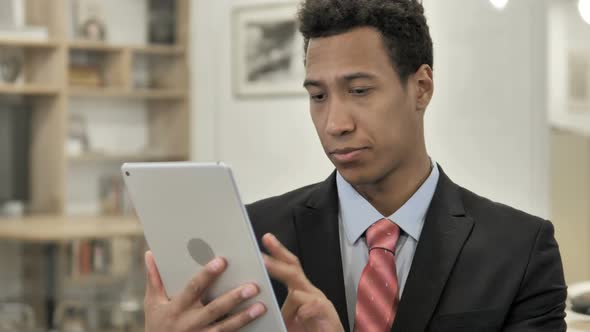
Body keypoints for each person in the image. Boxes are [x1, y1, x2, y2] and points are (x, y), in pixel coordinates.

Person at [143, 0, 568, 331]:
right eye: (318, 96)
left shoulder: (520, 250)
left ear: (421, 88)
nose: (335, 124)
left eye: (360, 90)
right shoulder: (254, 239)